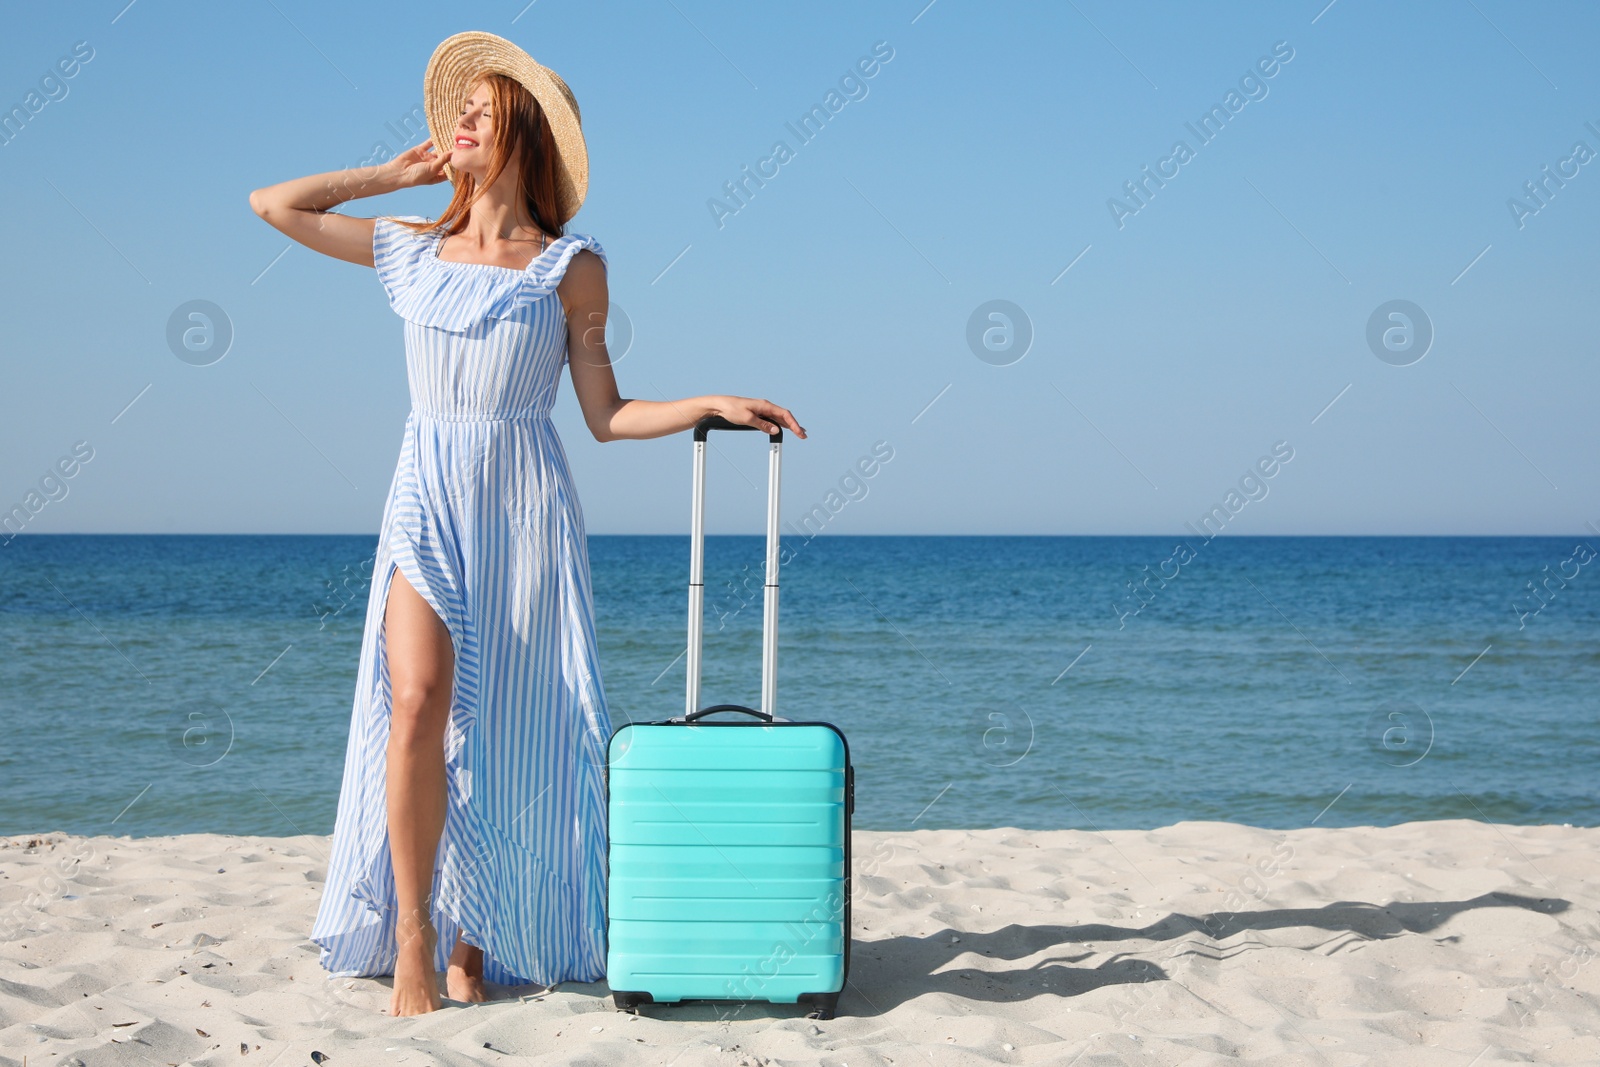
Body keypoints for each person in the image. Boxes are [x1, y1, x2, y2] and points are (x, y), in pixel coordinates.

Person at [248, 31, 805, 1017]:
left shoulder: (570, 270)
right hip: (425, 486)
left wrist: (708, 402)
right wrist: (389, 172)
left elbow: (604, 416)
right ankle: (414, 931)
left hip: (524, 504)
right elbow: (275, 205)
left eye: (480, 112)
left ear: (525, 137)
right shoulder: (410, 246)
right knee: (416, 700)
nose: (457, 123)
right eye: (454, 113)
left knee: (507, 726)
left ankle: (478, 932)